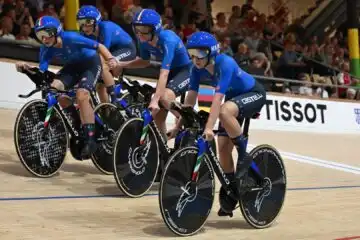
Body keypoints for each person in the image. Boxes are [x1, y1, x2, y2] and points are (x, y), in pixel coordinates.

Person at [169, 31, 267, 216]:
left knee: (223, 111)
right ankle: (232, 189)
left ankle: (244, 155)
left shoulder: (225, 63)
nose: (195, 58)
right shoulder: (196, 69)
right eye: (191, 53)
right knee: (222, 149)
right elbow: (189, 101)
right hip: (233, 99)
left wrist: (208, 128)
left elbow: (217, 100)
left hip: (253, 93)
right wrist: (177, 126)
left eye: (200, 54)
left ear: (211, 52)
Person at [15, 16, 117, 158]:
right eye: (39, 35)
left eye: (46, 34)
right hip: (73, 67)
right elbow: (42, 73)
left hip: (90, 64)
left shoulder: (70, 37)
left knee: (82, 95)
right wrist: (27, 69)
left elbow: (99, 46)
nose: (44, 39)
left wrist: (111, 59)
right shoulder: (45, 49)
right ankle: (77, 123)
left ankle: (90, 138)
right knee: (56, 92)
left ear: (56, 31)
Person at [108, 9, 192, 139]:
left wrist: (155, 99)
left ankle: (187, 120)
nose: (139, 33)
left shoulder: (167, 40)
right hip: (168, 73)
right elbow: (144, 61)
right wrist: (121, 64)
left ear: (155, 29)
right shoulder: (143, 40)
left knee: (162, 98)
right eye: (137, 28)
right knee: (158, 118)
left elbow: (164, 73)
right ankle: (164, 154)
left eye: (144, 29)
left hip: (184, 71)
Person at [77, 5, 137, 103]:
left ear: (96, 22)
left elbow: (104, 52)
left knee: (102, 63)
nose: (84, 27)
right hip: (113, 51)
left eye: (88, 22)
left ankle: (114, 97)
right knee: (100, 87)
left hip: (127, 49)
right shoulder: (84, 33)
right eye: (81, 23)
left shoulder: (106, 27)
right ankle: (107, 111)